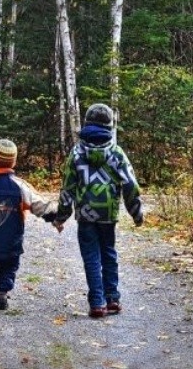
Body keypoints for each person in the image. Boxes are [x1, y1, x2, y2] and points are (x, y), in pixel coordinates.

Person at [53, 103, 144, 318]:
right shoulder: (116, 154)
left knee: (91, 257)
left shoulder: (76, 153)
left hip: (85, 215)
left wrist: (61, 216)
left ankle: (97, 302)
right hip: (108, 214)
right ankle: (112, 297)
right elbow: (130, 184)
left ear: (87, 124)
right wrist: (136, 212)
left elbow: (68, 188)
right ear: (109, 126)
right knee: (109, 253)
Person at [0, 139, 57, 310]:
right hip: (11, 242)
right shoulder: (20, 186)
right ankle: (2, 294)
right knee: (9, 268)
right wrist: (56, 217)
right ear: (14, 161)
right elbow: (40, 205)